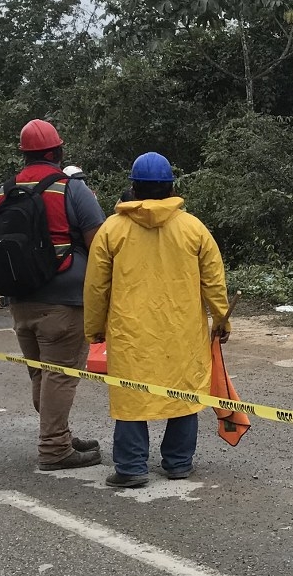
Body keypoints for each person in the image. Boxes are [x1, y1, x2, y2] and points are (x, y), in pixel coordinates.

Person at [0, 119, 106, 472]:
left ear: (24, 154)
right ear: (58, 151)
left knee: (42, 374)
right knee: (60, 375)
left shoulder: (3, 190)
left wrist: (6, 260)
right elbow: (101, 245)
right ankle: (55, 448)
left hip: (21, 300)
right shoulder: (70, 189)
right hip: (64, 301)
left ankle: (59, 435)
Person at [84, 152, 231, 489]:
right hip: (182, 331)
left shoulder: (112, 230)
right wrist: (222, 320)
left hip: (131, 333)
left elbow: (96, 286)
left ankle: (132, 468)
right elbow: (213, 280)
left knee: (131, 395)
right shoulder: (193, 228)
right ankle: (178, 463)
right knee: (184, 391)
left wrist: (94, 328)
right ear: (170, 187)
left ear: (133, 187)